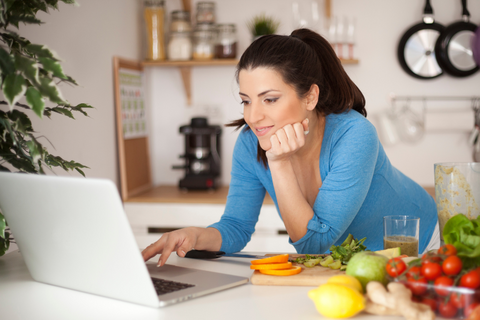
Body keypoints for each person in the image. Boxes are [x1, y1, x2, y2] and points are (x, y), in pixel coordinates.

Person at [142, 28, 440, 267]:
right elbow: (236, 225)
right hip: (352, 261)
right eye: (246, 100)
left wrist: (279, 163)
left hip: (417, 247)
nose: (253, 116)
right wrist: (193, 235)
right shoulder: (249, 144)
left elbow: (314, 243)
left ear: (310, 98)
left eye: (269, 99)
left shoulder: (354, 135)